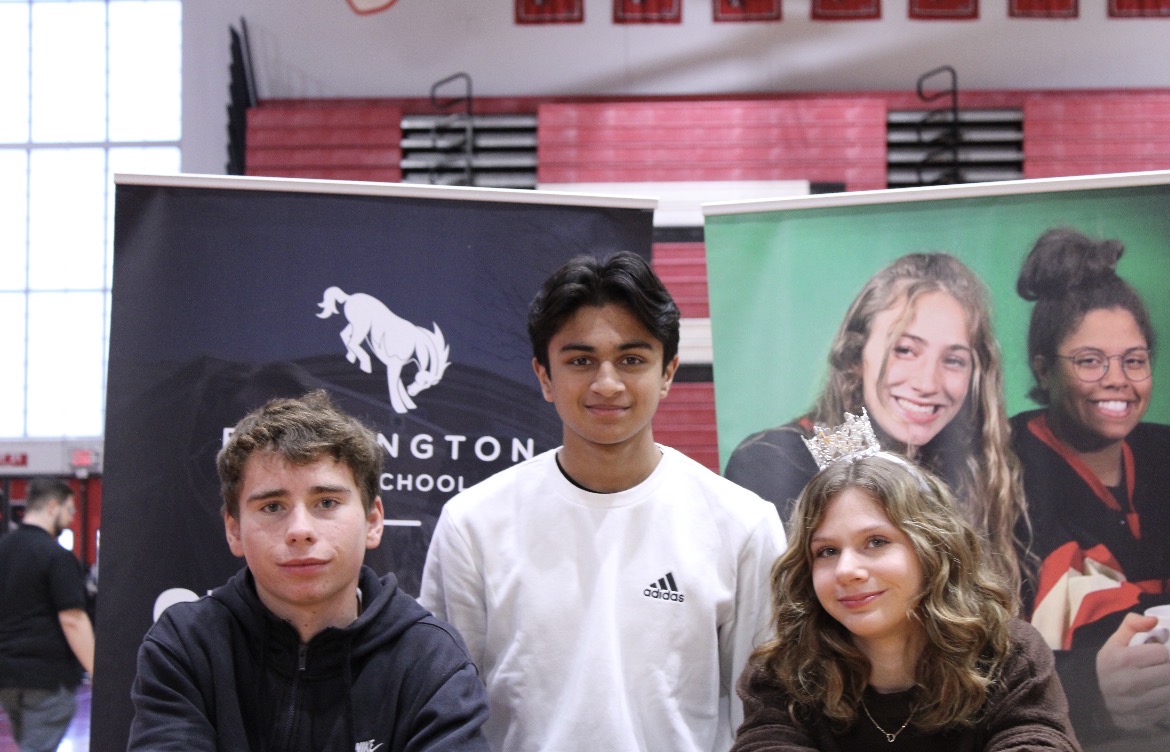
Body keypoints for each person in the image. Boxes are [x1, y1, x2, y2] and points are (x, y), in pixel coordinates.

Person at [420, 251, 787, 752]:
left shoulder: (744, 524)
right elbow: (446, 712)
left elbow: (763, 717)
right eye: (580, 361)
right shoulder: (473, 525)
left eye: (632, 360)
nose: (607, 383)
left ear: (668, 372)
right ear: (544, 376)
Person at [127, 390, 490, 751]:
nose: (300, 530)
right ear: (234, 530)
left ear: (373, 520)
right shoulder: (186, 644)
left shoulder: (431, 657)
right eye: (272, 507)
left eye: (326, 502)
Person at [733, 419, 1081, 751]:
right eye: (827, 551)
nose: (846, 570)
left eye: (876, 542)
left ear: (932, 548)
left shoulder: (1009, 654)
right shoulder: (781, 671)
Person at [725, 252, 1025, 590]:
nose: (928, 384)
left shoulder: (981, 473)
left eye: (953, 360)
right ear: (856, 356)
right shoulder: (776, 461)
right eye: (905, 350)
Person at [1011, 228, 1170, 750]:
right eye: (1089, 361)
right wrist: (1089, 691)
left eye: (1134, 359)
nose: (1117, 379)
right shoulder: (1005, 471)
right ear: (1043, 369)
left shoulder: (1162, 453)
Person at [0, 477, 94, 752]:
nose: (72, 518)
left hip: (7, 676)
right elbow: (72, 619)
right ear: (52, 506)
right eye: (69, 509)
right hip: (47, 677)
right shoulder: (57, 557)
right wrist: (97, 670)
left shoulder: (3, 550)